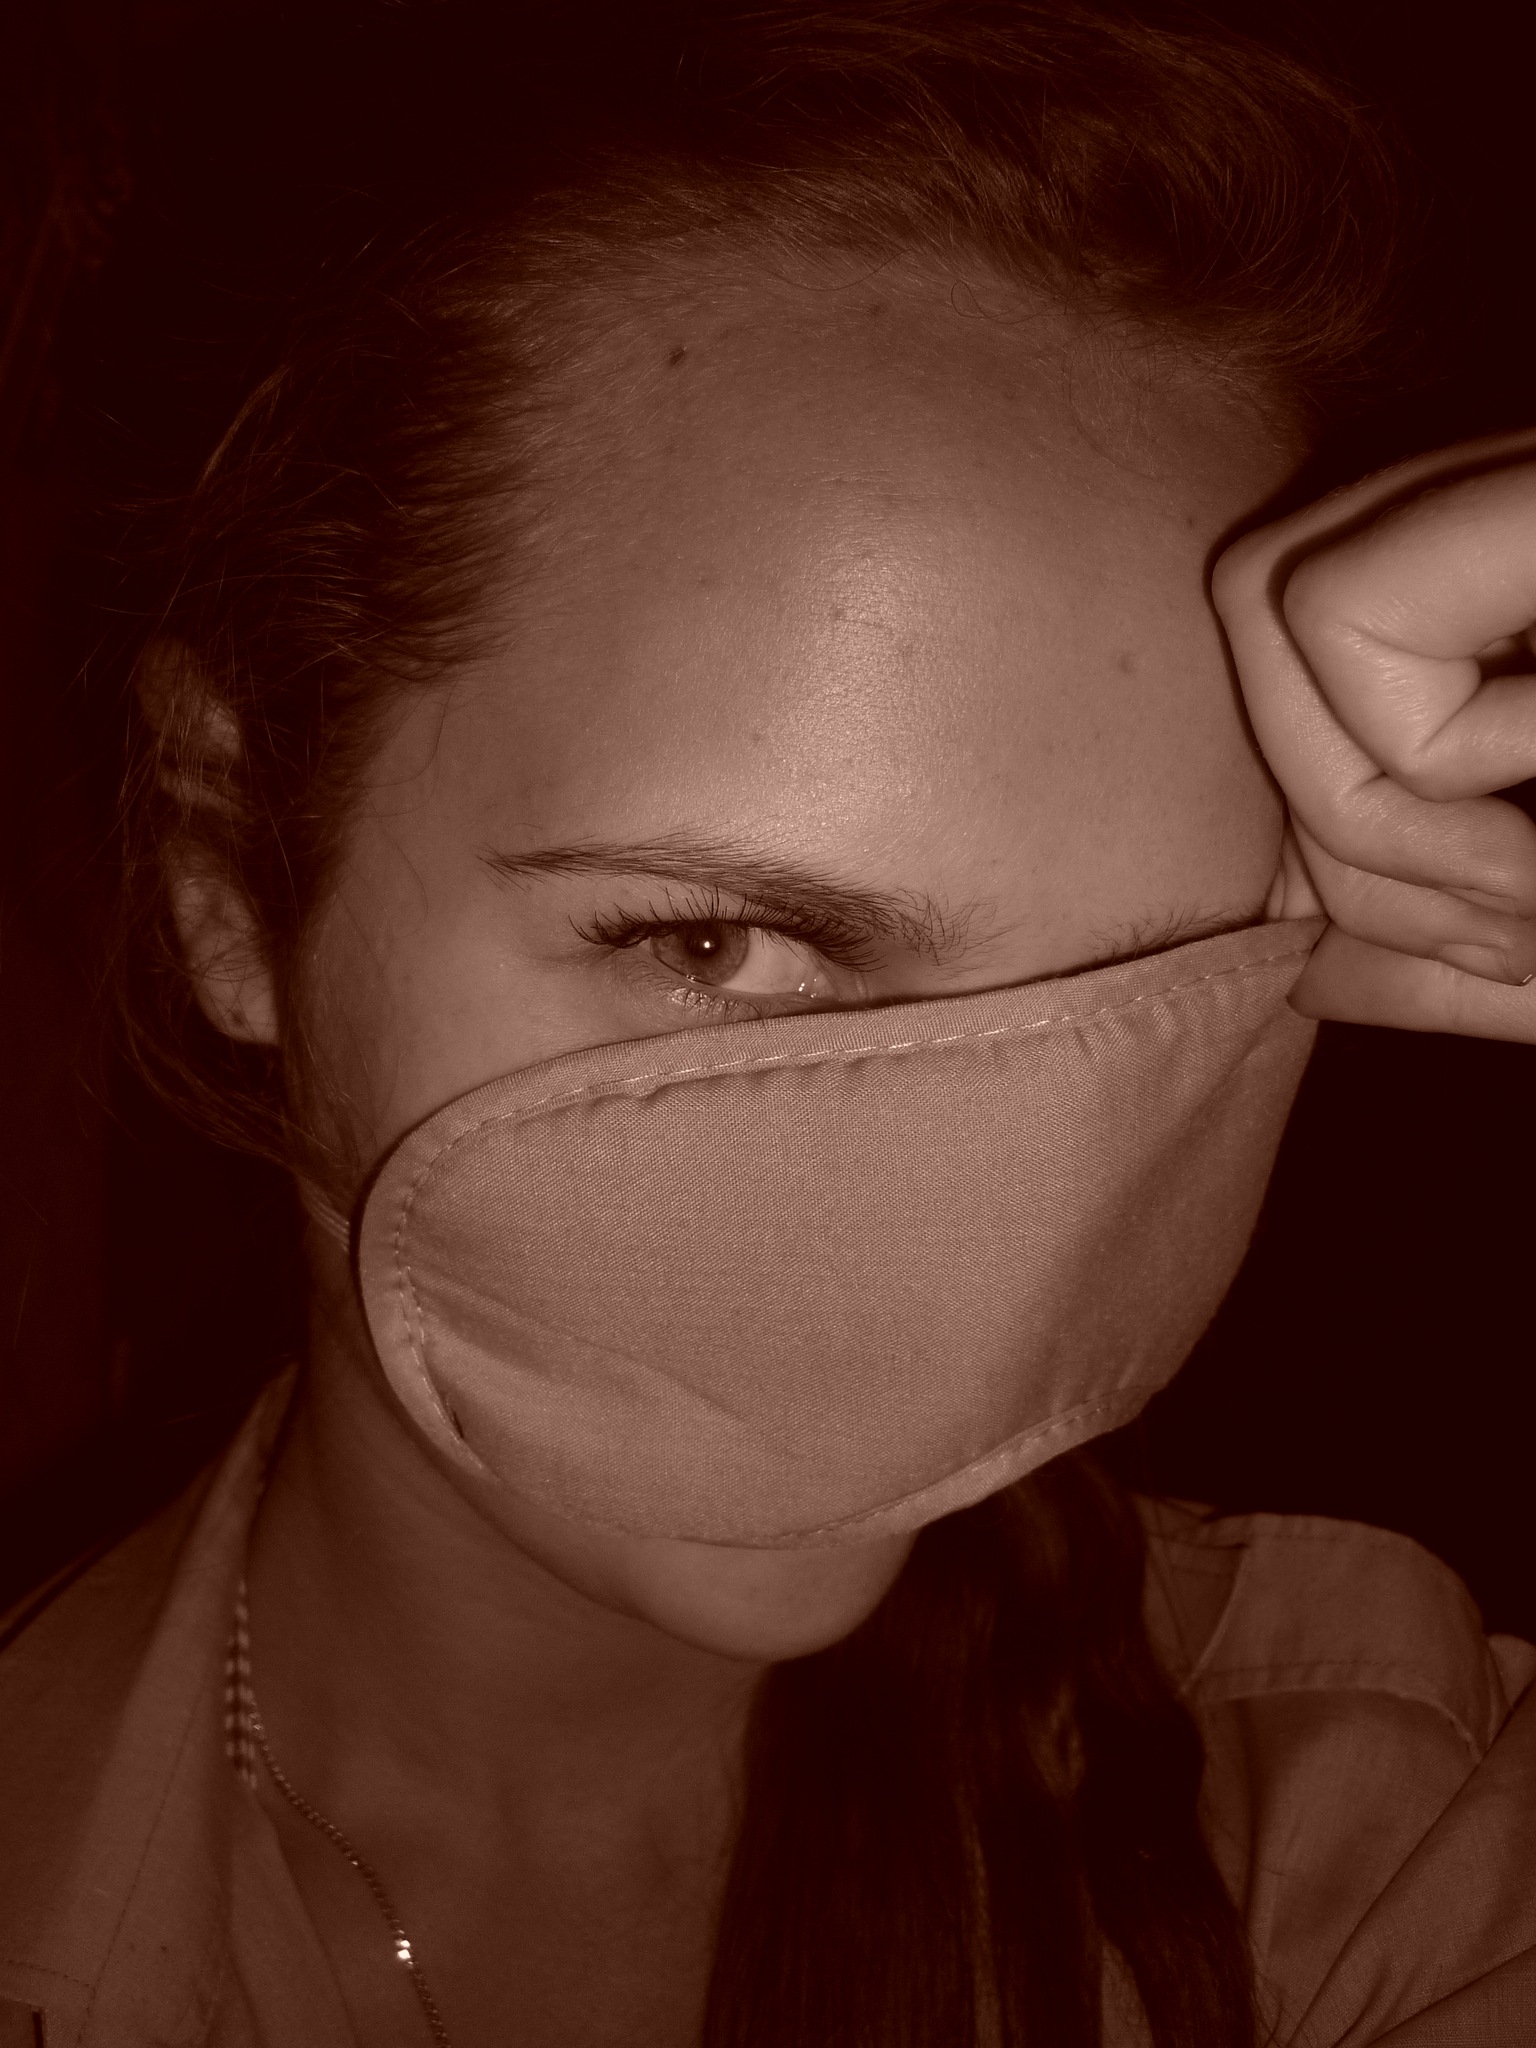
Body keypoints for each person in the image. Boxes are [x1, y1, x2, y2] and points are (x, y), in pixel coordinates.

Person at [2, 3, 1533, 2043]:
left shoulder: (1366, 1817)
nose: (966, 1278)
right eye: (718, 946)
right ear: (227, 880)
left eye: (1146, 995)